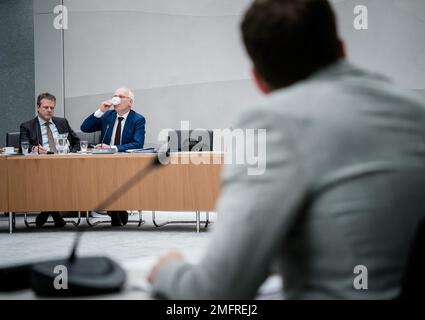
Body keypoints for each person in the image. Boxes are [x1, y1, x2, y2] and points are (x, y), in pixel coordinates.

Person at [147, 0, 425, 299]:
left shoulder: (272, 120)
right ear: (341, 49)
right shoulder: (415, 111)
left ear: (259, 80)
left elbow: (215, 293)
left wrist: (169, 270)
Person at [81, 86, 146, 226]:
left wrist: (112, 148)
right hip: (104, 161)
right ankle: (116, 209)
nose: (116, 99)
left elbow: (138, 144)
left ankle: (116, 209)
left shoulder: (138, 119)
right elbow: (85, 128)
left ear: (130, 102)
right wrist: (101, 111)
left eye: (121, 96)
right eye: (114, 96)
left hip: (125, 161)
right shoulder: (107, 116)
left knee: (117, 177)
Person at [20, 92, 81, 228]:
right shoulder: (27, 126)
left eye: (52, 108)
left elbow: (77, 141)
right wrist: (34, 149)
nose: (49, 110)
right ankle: (55, 214)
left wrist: (72, 154)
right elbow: (23, 145)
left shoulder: (62, 122)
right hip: (40, 165)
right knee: (50, 179)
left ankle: (47, 211)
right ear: (38, 107)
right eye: (46, 107)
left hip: (64, 163)